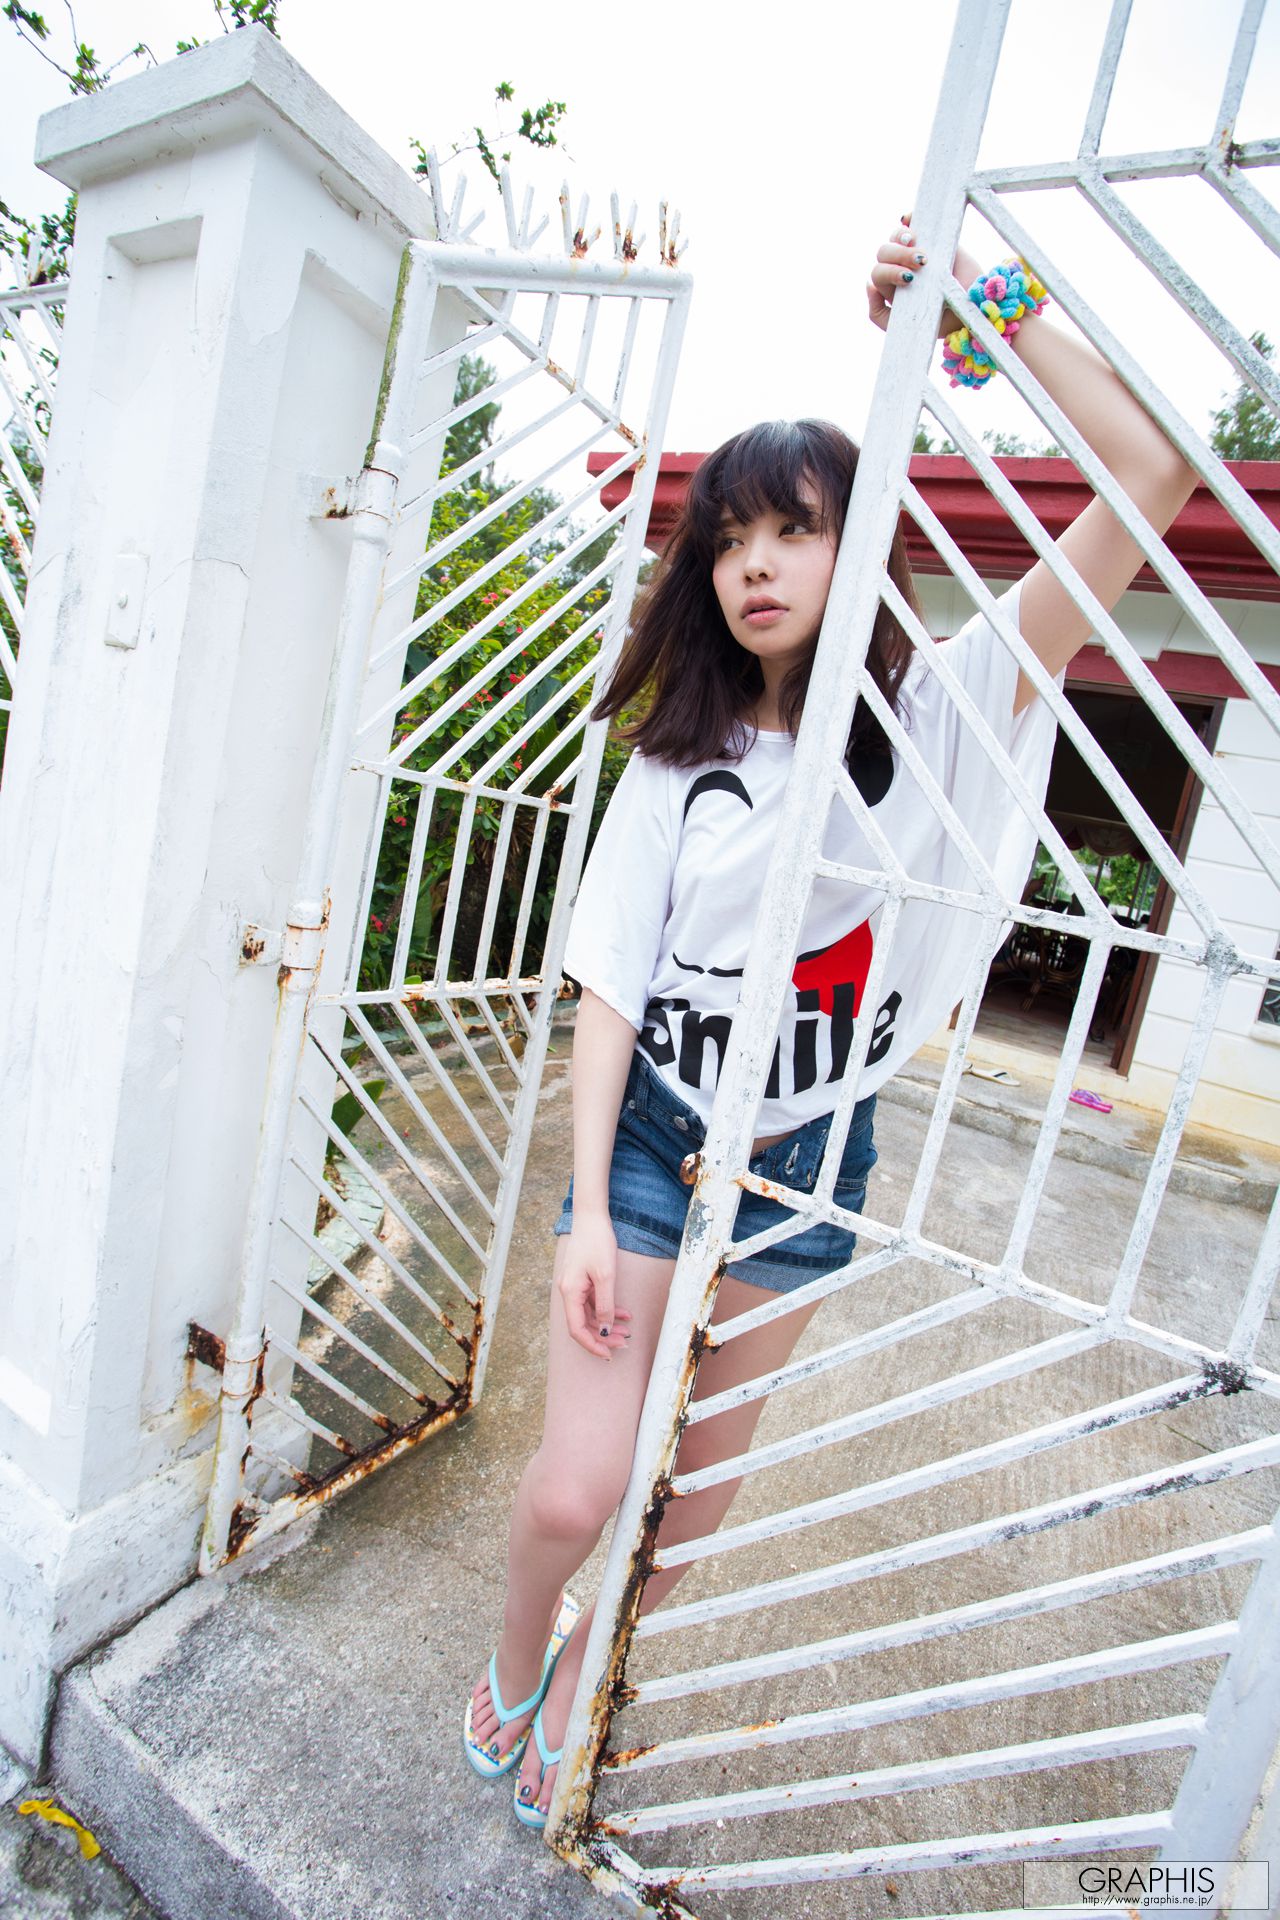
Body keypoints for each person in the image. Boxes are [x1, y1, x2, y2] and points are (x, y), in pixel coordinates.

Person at [462, 218, 1197, 1827]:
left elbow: (1150, 470)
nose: (757, 565)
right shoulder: (679, 759)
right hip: (654, 1139)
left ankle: (585, 1684)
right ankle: (516, 1657)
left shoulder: (946, 711)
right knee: (580, 1488)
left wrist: (980, 304)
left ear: (859, 548)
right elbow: (610, 980)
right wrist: (589, 1209)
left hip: (806, 1170)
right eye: (732, 537)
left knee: (687, 1505)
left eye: (795, 529)